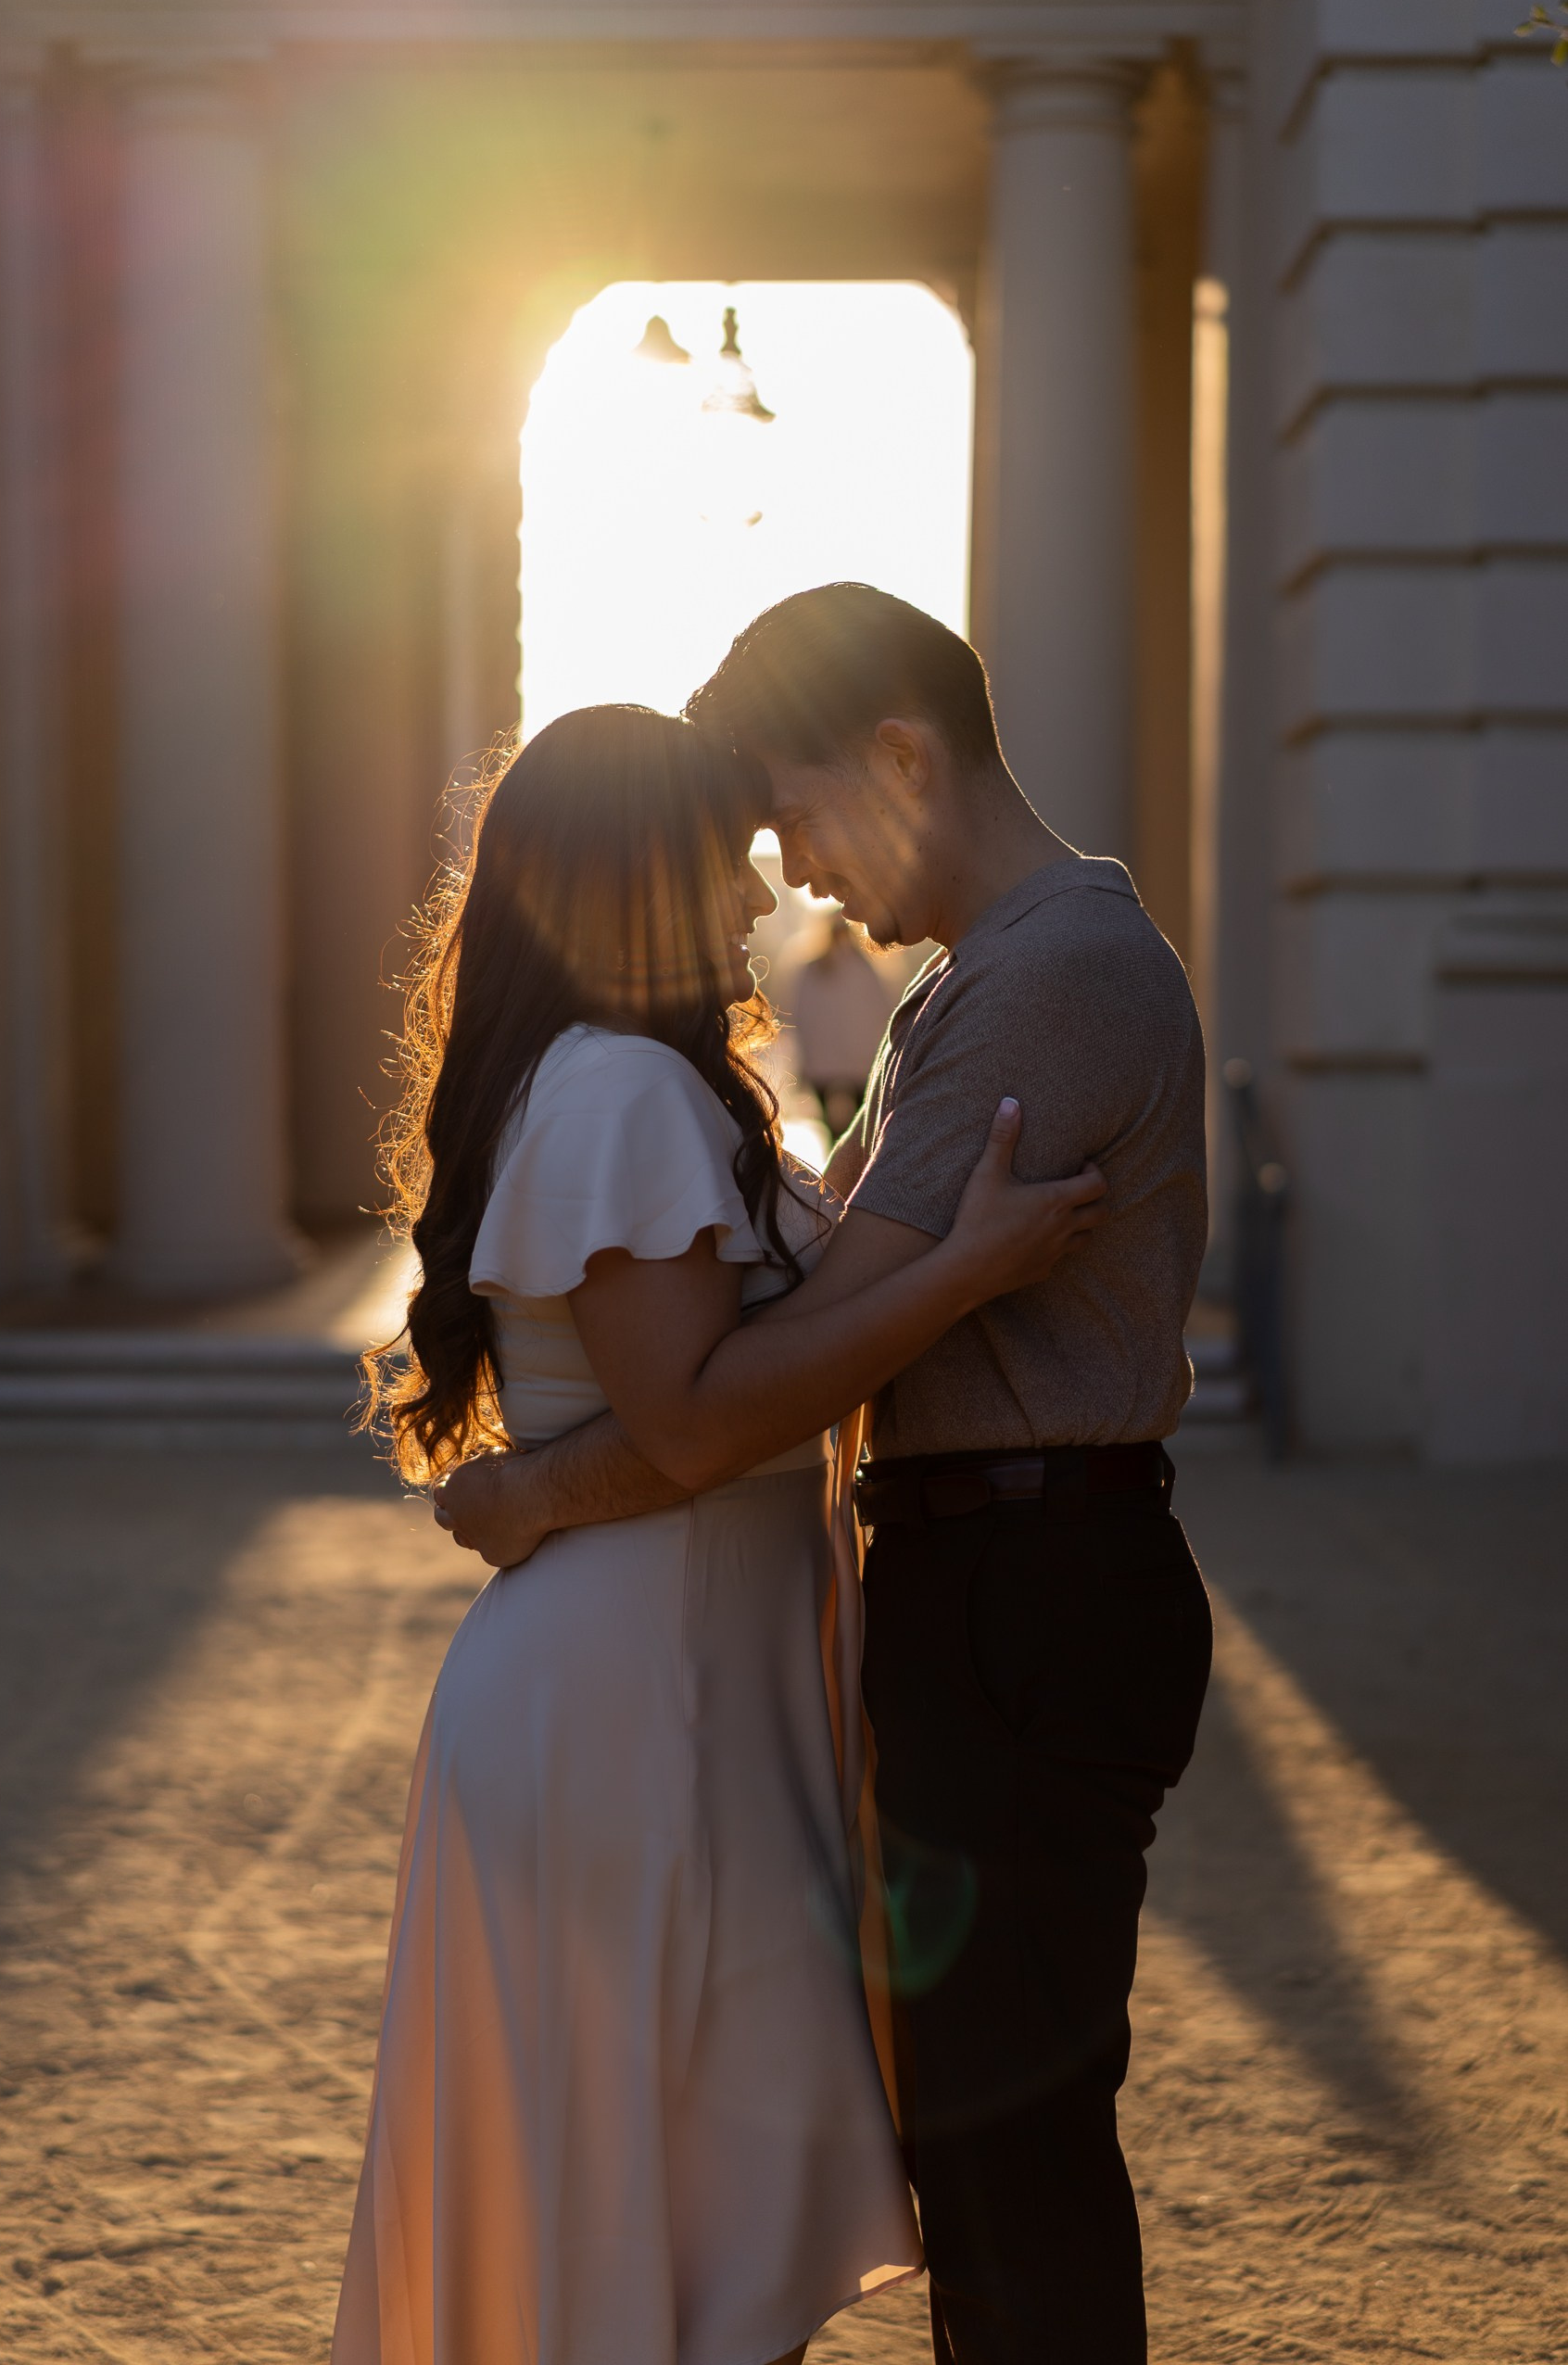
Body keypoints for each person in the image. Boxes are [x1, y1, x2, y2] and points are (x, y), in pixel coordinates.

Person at [437, 589, 1213, 2365]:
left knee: (1005, 2146)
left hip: (1030, 1578)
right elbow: (794, 1332)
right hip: (985, 1576)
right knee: (972, 2130)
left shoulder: (1050, 980)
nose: (788, 884)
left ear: (900, 757)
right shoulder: (980, 983)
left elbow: (795, 1346)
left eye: (790, 824)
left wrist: (541, 1497)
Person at [774, 909, 897, 1139]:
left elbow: (798, 1016)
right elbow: (885, 1012)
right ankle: (849, 1171)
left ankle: (843, 1171)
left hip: (834, 1062)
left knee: (849, 1130)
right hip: (855, 1062)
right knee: (858, 1130)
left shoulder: (812, 968)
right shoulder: (866, 967)